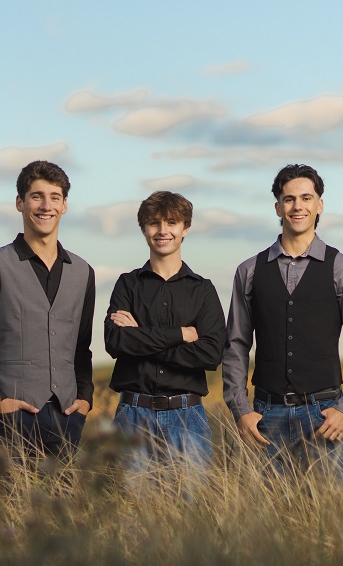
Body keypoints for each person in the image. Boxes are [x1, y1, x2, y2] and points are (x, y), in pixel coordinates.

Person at [223, 164, 343, 478]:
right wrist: (241, 411)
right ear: (278, 206)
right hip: (265, 416)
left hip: (323, 414)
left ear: (320, 205)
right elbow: (235, 346)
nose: (298, 206)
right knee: (266, 519)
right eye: (289, 199)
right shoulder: (249, 271)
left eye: (306, 197)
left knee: (330, 515)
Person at [0, 160, 95, 475]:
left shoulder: (84, 272)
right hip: (9, 419)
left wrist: (85, 399)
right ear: (20, 202)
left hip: (67, 418)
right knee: (8, 517)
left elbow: (81, 348)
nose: (46, 206)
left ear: (65, 205)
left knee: (65, 519)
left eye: (55, 197)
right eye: (37, 196)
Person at [104, 191, 225, 475]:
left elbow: (211, 353)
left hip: (188, 416)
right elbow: (115, 341)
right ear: (144, 229)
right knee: (130, 513)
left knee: (190, 513)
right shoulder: (127, 284)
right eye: (154, 222)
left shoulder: (203, 290)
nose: (162, 230)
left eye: (171, 222)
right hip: (132, 414)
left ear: (186, 229)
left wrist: (140, 336)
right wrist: (180, 334)